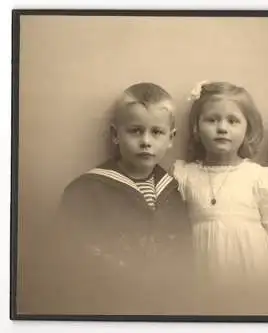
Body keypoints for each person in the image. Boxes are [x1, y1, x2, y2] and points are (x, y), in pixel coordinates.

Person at [57, 82, 191, 314]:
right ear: (115, 135)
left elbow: (184, 251)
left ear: (171, 138)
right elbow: (70, 259)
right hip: (108, 303)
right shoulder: (85, 192)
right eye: (135, 130)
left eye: (157, 132)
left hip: (165, 303)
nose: (146, 141)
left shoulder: (173, 190)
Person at [173, 81, 268, 292]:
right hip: (202, 264)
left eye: (233, 121)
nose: (222, 128)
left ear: (247, 129)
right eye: (212, 120)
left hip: (251, 266)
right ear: (196, 128)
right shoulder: (185, 175)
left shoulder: (259, 177)